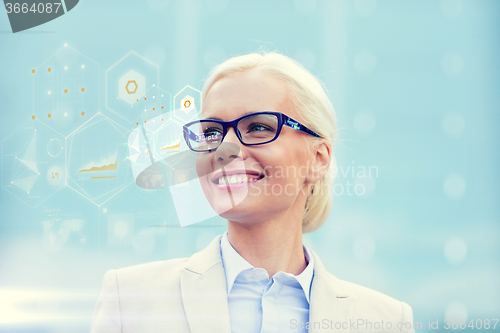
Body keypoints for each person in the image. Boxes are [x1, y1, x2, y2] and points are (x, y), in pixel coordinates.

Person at [90, 52, 415, 333]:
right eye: (212, 132)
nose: (226, 148)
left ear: (318, 159)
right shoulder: (130, 300)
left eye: (258, 127)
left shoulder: (384, 321)